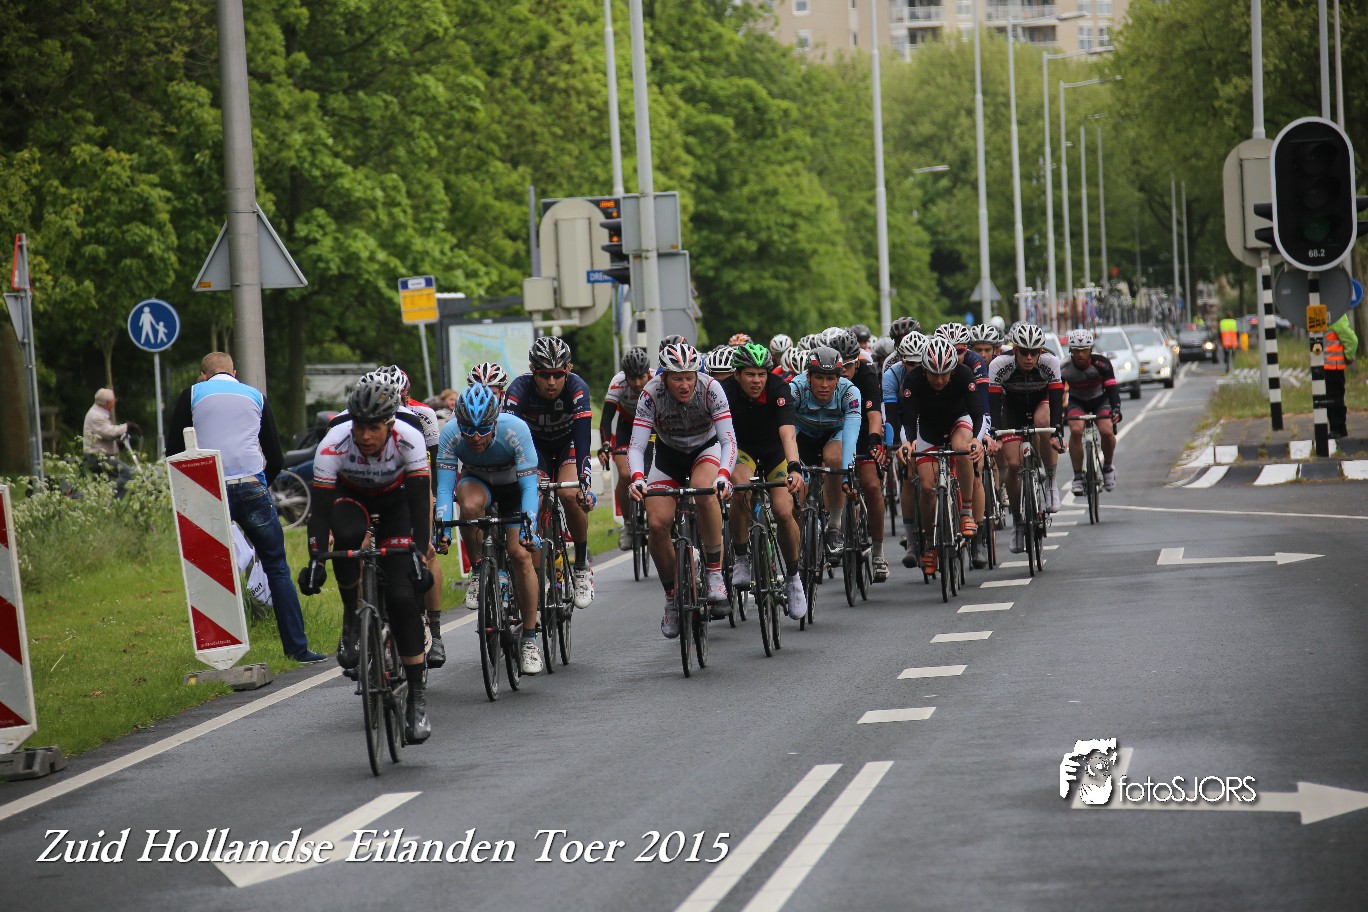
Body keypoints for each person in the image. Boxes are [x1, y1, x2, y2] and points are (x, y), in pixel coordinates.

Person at [298, 371, 435, 742]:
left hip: (397, 503)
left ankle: (416, 699)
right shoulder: (333, 444)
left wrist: (419, 554)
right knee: (345, 538)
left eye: (374, 427)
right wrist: (315, 559)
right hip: (351, 498)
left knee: (403, 597)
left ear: (389, 425)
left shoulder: (409, 439)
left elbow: (419, 503)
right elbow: (319, 513)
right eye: (359, 427)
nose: (365, 435)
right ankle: (350, 616)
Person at [165, 354, 326, 663]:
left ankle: (219, 650)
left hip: (210, 489)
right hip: (252, 486)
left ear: (203, 375)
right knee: (277, 566)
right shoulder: (255, 396)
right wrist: (261, 485)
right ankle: (298, 648)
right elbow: (276, 456)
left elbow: (174, 450)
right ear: (234, 373)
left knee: (211, 568)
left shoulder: (192, 394)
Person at [434, 384, 544, 675]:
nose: (475, 437)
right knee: (468, 507)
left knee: (519, 554)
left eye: (483, 429)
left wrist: (529, 528)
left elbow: (529, 487)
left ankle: (529, 639)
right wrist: (442, 528)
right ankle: (478, 569)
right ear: (459, 423)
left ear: (495, 422)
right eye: (468, 429)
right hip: (477, 482)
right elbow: (444, 488)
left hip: (514, 489)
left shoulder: (515, 429)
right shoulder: (451, 433)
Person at [628, 342, 737, 636]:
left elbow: (728, 440)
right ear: (664, 377)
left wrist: (723, 475)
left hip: (705, 449)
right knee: (656, 524)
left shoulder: (711, 388)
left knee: (705, 491)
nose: (685, 384)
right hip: (668, 455)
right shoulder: (651, 393)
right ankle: (671, 597)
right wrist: (637, 477)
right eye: (677, 378)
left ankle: (714, 573)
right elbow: (637, 445)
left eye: (689, 377)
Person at [503, 337, 597, 608]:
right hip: (536, 450)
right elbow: (511, 440)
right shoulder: (518, 389)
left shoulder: (578, 388)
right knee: (535, 497)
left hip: (568, 446)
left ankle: (581, 566)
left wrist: (585, 483)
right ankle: (536, 576)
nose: (552, 382)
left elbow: (583, 441)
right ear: (533, 372)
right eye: (545, 375)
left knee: (569, 494)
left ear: (568, 371)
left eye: (558, 374)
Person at [720, 342, 808, 619]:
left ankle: (793, 578)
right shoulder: (724, 391)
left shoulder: (779, 388)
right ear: (737, 375)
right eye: (750, 374)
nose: (757, 380)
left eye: (761, 374)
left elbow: (788, 434)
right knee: (740, 487)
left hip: (775, 452)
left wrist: (794, 467)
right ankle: (741, 556)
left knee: (783, 511)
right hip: (743, 451)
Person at [896, 337, 984, 576]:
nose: (939, 380)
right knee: (926, 487)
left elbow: (977, 413)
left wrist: (976, 440)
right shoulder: (913, 380)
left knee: (962, 448)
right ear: (924, 369)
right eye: (934, 374)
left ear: (953, 370)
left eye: (945, 374)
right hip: (928, 429)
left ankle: (966, 512)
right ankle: (930, 543)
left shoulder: (964, 374)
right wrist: (908, 443)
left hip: (958, 421)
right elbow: (908, 419)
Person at [988, 323, 1066, 553]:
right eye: (1024, 352)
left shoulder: (1050, 362)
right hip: (1011, 410)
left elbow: (1056, 401)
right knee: (1013, 465)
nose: (1029, 357)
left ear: (1041, 351)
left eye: (1035, 352)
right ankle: (1018, 522)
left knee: (1043, 423)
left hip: (1040, 403)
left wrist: (1057, 432)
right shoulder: (999, 365)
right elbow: (994, 404)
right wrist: (995, 434)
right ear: (1015, 350)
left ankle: (1050, 482)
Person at [791, 346, 861, 562]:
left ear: (838, 379)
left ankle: (834, 526)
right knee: (797, 493)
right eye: (819, 377)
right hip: (802, 434)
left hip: (834, 434)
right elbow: (786, 430)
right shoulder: (795, 389)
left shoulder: (850, 392)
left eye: (830, 378)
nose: (824, 384)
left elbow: (850, 436)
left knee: (835, 459)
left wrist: (847, 474)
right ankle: (798, 544)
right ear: (808, 377)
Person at [829, 330, 889, 580]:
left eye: (849, 366)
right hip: (833, 431)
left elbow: (874, 415)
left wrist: (875, 442)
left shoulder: (866, 373)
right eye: (839, 366)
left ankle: (878, 552)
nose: (843, 371)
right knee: (829, 470)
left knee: (872, 486)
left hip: (863, 429)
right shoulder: (825, 378)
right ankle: (833, 526)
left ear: (858, 362)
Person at [598, 347, 652, 550]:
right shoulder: (618, 382)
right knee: (624, 473)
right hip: (627, 427)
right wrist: (605, 445)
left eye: (641, 377)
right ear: (625, 376)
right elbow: (606, 417)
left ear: (648, 373)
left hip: (653, 427)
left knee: (651, 472)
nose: (637, 383)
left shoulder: (657, 380)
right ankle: (628, 524)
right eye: (632, 378)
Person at [1060, 329, 1122, 493]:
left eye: (1084, 350)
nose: (1080, 354)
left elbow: (1112, 389)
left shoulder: (1102, 363)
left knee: (1107, 431)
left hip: (1100, 401)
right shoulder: (1064, 367)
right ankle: (1078, 476)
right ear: (1070, 350)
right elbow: (1057, 393)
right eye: (1076, 350)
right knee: (1076, 430)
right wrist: (1057, 413)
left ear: (1091, 350)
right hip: (1077, 402)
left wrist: (1116, 409)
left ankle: (1107, 467)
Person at [83, 388, 137, 497]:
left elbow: (101, 436)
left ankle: (102, 500)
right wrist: (127, 426)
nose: (115, 401)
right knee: (129, 474)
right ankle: (113, 499)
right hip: (98, 458)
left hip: (98, 456)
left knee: (100, 484)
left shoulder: (98, 412)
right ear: (108, 403)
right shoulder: (96, 416)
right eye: (113, 400)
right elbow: (109, 432)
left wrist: (116, 445)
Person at [1325, 313, 1359, 438]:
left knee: (1334, 399)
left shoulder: (1336, 315)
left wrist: (1348, 356)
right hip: (1326, 365)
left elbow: (1352, 340)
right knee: (1330, 399)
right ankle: (1337, 429)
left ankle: (1338, 430)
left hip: (1333, 365)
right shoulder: (1330, 313)